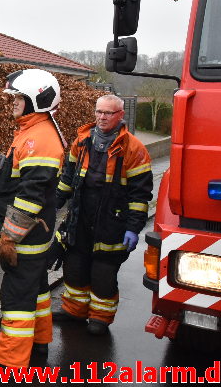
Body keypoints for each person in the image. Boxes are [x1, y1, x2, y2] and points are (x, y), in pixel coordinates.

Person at [0, 69, 65, 376]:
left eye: (18, 98)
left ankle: (8, 364)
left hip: (25, 238)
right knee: (37, 291)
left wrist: (9, 237)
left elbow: (29, 197)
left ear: (36, 100)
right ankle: (38, 346)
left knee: (16, 298)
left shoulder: (39, 138)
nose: (12, 103)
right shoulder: (33, 130)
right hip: (35, 234)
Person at [51, 94, 152, 335]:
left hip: (112, 221)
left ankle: (100, 318)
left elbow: (140, 194)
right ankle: (74, 311)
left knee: (103, 272)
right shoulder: (83, 141)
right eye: (99, 112)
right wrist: (55, 202)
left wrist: (133, 227)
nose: (102, 117)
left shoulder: (134, 149)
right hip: (80, 217)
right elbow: (68, 176)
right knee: (74, 265)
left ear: (120, 115)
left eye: (108, 113)